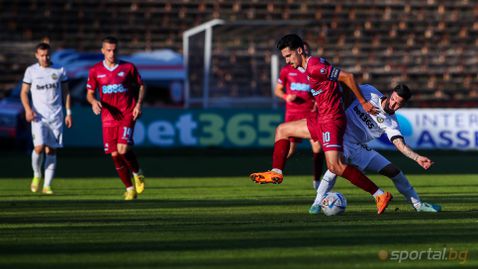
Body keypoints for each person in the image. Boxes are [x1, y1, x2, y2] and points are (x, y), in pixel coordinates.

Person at [250, 34, 393, 214]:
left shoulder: (315, 67)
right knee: (282, 130)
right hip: (321, 118)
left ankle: (379, 194)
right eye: (284, 57)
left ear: (300, 50)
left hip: (331, 121)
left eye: (289, 56)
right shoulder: (312, 65)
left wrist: (363, 102)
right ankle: (276, 172)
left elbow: (348, 77)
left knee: (336, 166)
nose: (287, 61)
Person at [309, 84, 441, 213]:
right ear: (391, 94)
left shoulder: (391, 123)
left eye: (398, 104)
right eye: (393, 99)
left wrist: (417, 158)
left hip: (357, 146)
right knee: (336, 165)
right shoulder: (369, 92)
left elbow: (399, 144)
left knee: (394, 172)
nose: (393, 104)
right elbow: (347, 87)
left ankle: (418, 205)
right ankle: (317, 203)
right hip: (340, 136)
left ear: (403, 105)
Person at [86, 36, 146, 201]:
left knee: (122, 149)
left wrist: (138, 104)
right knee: (114, 155)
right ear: (103, 51)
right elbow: (90, 94)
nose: (112, 53)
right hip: (108, 117)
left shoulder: (128, 67)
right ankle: (130, 189)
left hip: (127, 112)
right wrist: (93, 102)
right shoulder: (95, 71)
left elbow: (141, 85)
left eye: (115, 50)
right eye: (109, 50)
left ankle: (137, 172)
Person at [20, 42, 72, 195]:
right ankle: (37, 175)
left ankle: (47, 185)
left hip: (56, 116)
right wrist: (28, 110)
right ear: (36, 55)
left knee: (51, 150)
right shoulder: (31, 71)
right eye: (41, 55)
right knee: (39, 147)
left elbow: (66, 93)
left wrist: (68, 113)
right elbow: (23, 92)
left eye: (47, 55)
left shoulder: (59, 70)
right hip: (38, 117)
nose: (45, 58)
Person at [274, 41, 324, 187]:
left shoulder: (313, 69)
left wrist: (317, 102)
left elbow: (319, 90)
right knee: (290, 150)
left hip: (309, 114)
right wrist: (286, 97)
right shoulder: (287, 70)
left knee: (317, 147)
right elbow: (278, 89)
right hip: (292, 114)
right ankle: (276, 171)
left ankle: (316, 180)